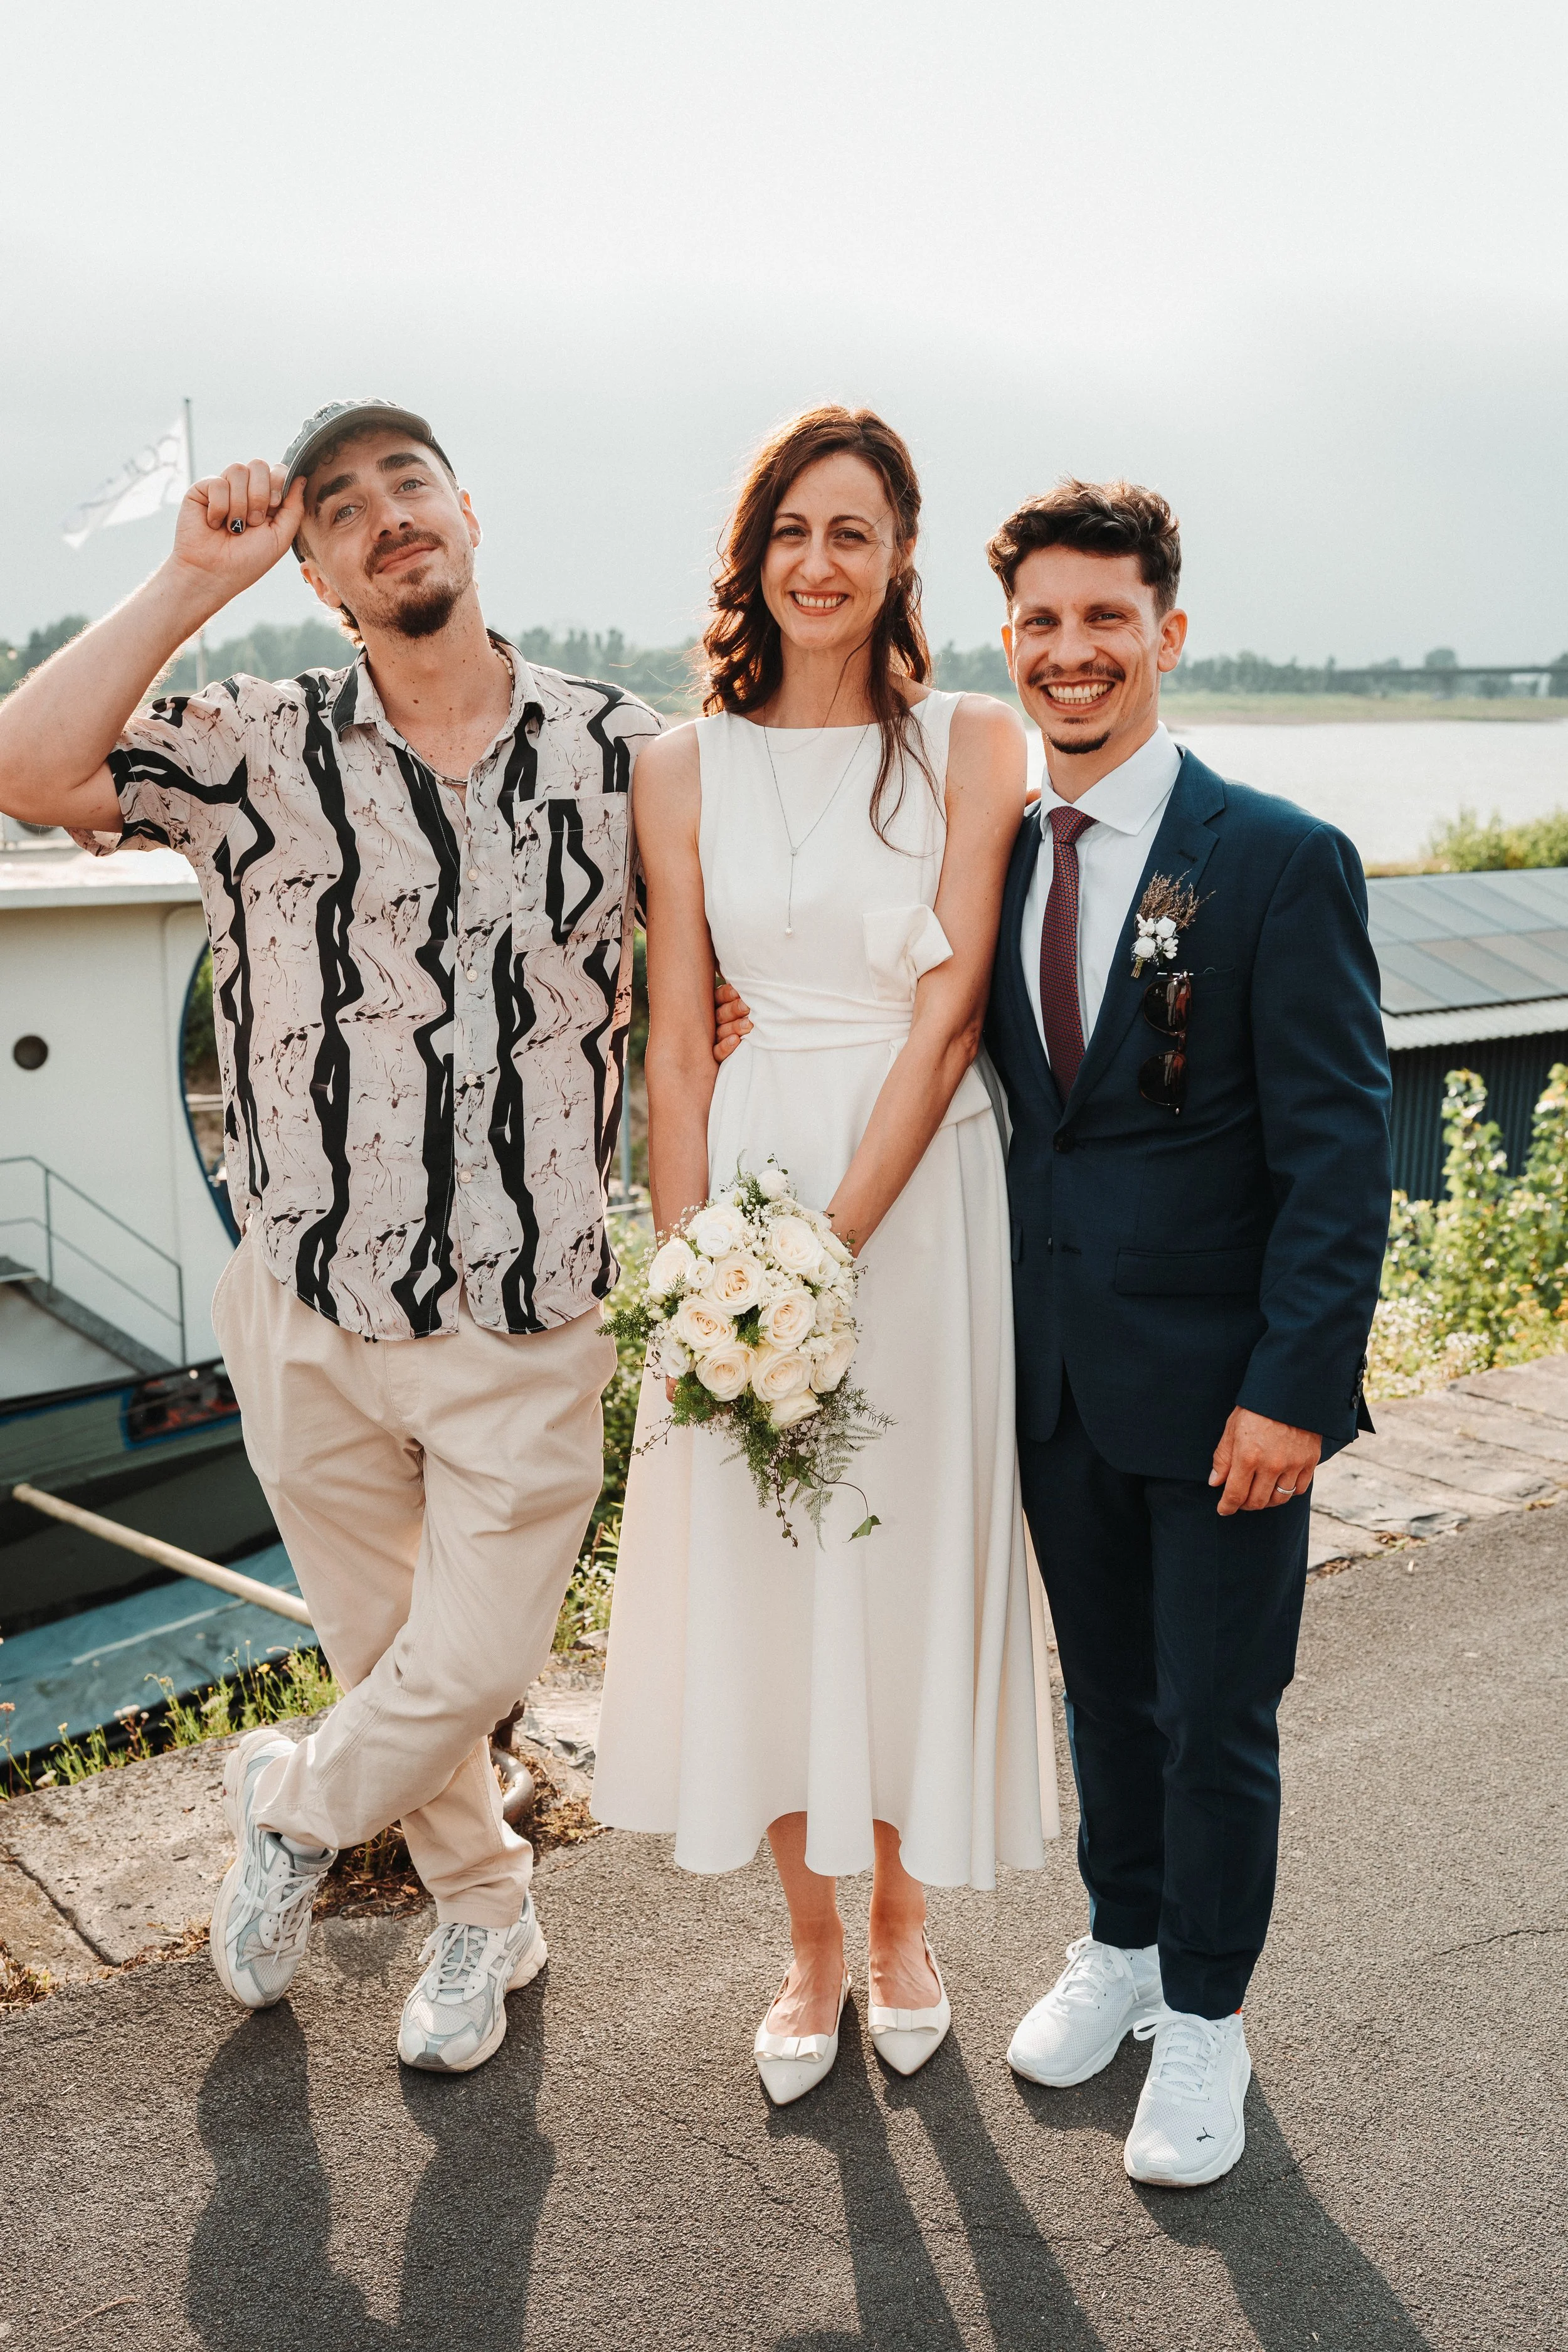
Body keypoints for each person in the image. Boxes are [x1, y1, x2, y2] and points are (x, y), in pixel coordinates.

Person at [0, 399, 662, 2074]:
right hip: (302, 1308)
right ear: (314, 565)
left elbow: (732, 989)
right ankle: (485, 1909)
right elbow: (24, 771)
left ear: (469, 512)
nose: (385, 515)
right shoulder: (251, 738)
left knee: (476, 1655)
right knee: (385, 1656)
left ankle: (289, 1808)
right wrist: (184, 579)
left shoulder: (628, 750)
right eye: (340, 508)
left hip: (527, 1315)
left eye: (409, 482)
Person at [591, 406, 1059, 2106]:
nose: (818, 560)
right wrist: (699, 1277)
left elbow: (945, 1019)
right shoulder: (678, 765)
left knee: (909, 1550)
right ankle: (805, 1942)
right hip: (740, 1181)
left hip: (918, 1198)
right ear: (753, 550)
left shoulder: (973, 741)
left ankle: (905, 1928)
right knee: (766, 1561)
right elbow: (675, 1043)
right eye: (793, 527)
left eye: (853, 530)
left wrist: (821, 1255)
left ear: (899, 555)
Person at [983, 480, 1391, 2185]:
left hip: (1228, 1393)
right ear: (1006, 641)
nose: (1069, 652)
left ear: (1165, 631)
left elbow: (1337, 1146)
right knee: (1105, 1695)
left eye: (1103, 618)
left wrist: (1293, 1387)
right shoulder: (995, 852)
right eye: (1038, 622)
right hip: (1056, 1378)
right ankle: (1124, 1945)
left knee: (1217, 1709)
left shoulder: (1274, 860)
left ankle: (1208, 2022)